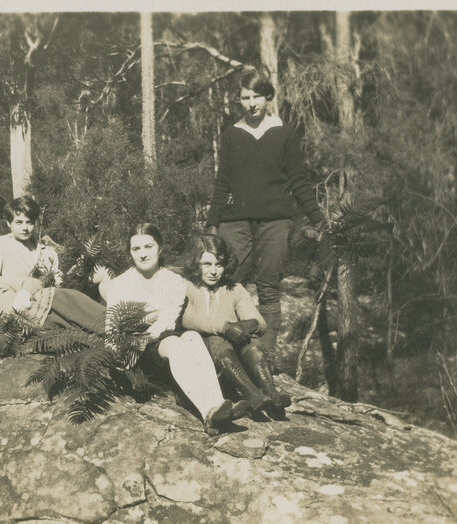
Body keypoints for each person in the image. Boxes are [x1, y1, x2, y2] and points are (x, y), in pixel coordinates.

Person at [205, 69, 326, 359]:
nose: (251, 103)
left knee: (269, 288)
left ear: (268, 96)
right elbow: (223, 181)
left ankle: (265, 359)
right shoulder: (232, 134)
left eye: (257, 96)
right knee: (230, 281)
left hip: (276, 221)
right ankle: (227, 354)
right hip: (235, 221)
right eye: (245, 97)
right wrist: (212, 223)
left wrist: (317, 216)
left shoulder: (284, 133)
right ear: (239, 100)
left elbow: (298, 179)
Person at [93, 223, 237, 435]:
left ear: (159, 248)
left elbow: (168, 322)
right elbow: (113, 330)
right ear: (130, 253)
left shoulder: (174, 281)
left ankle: (218, 406)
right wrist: (120, 363)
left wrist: (148, 335)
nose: (143, 254)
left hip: (161, 344)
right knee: (174, 344)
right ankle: (210, 412)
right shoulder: (121, 284)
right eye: (136, 249)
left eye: (148, 247)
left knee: (192, 337)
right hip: (134, 357)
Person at [182, 235, 292, 418]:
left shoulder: (235, 289)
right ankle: (251, 394)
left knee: (251, 340)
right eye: (207, 264)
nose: (214, 271)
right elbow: (188, 319)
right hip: (205, 358)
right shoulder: (187, 287)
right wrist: (224, 326)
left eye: (219, 264)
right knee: (217, 338)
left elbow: (259, 323)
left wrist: (248, 324)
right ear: (195, 263)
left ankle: (271, 393)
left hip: (237, 355)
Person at [0, 196, 63, 287]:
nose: (25, 228)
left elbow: (56, 286)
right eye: (19, 222)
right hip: (11, 298)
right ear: (9, 223)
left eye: (29, 222)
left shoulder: (48, 252)